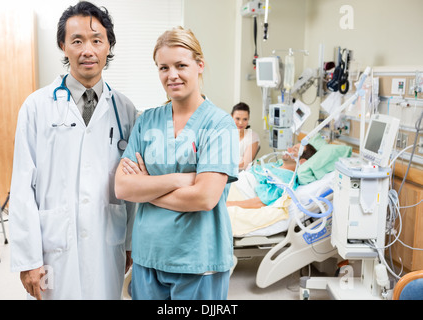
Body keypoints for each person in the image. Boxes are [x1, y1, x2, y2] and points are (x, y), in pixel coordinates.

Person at [9, 1, 137, 300]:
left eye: (96, 40)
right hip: (55, 246)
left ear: (108, 46)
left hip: (108, 241)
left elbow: (132, 187)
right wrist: (29, 259)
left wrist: (131, 242)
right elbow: (22, 185)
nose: (87, 50)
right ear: (63, 46)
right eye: (77, 41)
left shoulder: (126, 110)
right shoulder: (37, 107)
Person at [114, 27, 239, 300]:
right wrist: (181, 179)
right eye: (163, 67)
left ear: (199, 65)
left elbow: (205, 198)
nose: (172, 75)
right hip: (148, 256)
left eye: (181, 65)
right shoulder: (146, 121)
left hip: (198, 258)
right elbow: (123, 187)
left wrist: (147, 188)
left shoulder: (219, 125)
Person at [227, 143, 317, 209]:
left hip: (238, 191)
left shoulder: (287, 179)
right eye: (292, 147)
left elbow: (262, 202)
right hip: (232, 181)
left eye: (295, 150)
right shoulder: (275, 165)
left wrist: (230, 204)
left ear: (301, 162)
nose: (289, 149)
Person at [231, 102, 260, 170]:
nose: (241, 123)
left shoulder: (252, 136)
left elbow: (245, 165)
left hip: (239, 175)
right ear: (231, 117)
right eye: (237, 119)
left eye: (245, 119)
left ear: (248, 119)